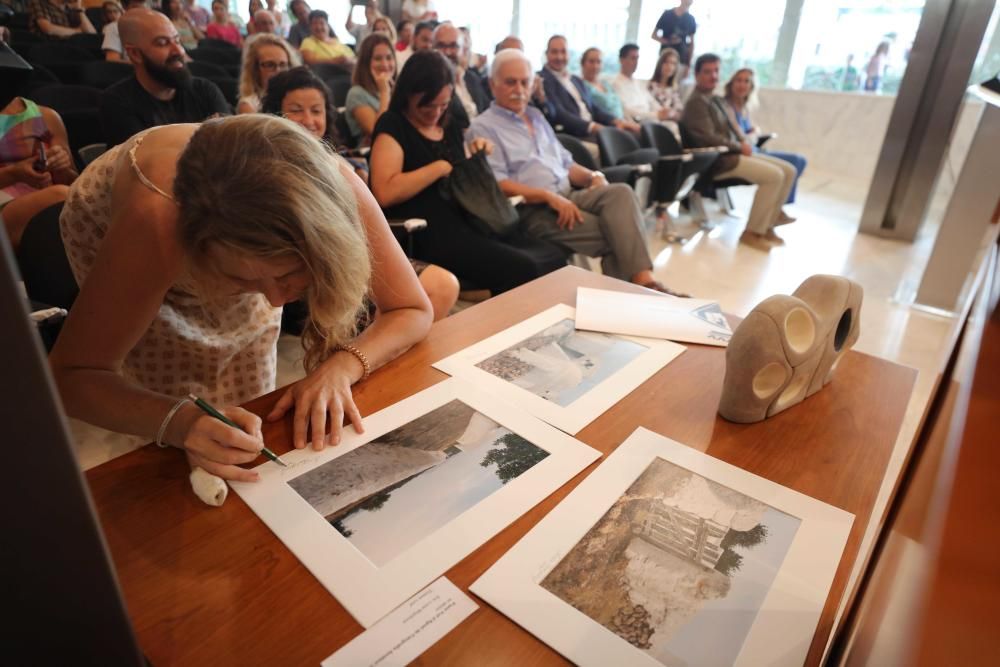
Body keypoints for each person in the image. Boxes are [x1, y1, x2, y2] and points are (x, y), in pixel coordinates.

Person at [50, 114, 433, 480]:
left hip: (231, 239)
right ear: (200, 251)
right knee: (169, 439)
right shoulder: (155, 223)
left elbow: (412, 308)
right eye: (243, 281)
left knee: (247, 420)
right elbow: (74, 376)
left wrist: (341, 368)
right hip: (128, 233)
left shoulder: (334, 189)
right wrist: (180, 422)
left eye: (288, 275)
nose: (276, 303)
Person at [470, 49, 678, 294]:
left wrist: (593, 176)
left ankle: (642, 286)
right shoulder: (483, 127)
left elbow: (567, 164)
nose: (519, 88)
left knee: (620, 192)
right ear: (493, 85)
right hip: (532, 210)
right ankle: (641, 294)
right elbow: (499, 184)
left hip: (568, 195)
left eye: (525, 82)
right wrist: (549, 197)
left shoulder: (535, 116)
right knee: (616, 235)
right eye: (510, 82)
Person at [263, 66, 459, 321]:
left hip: (355, 259)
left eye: (316, 110)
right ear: (274, 114)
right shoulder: (265, 168)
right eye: (296, 110)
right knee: (401, 312)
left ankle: (394, 355)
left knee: (444, 286)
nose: (308, 120)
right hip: (309, 273)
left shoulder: (337, 160)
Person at [369, 51, 569, 296]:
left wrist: (476, 153)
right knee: (522, 267)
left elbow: (461, 174)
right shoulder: (394, 125)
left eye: (443, 105)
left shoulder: (449, 123)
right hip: (428, 232)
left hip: (469, 218)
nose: (436, 112)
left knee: (552, 256)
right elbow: (384, 192)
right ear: (409, 94)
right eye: (428, 105)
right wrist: (437, 169)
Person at [681, 54, 796, 250]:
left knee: (789, 170)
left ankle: (767, 226)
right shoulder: (696, 102)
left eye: (716, 71)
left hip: (733, 153)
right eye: (707, 72)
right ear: (696, 74)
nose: (713, 76)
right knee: (775, 176)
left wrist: (744, 140)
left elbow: (733, 128)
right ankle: (752, 233)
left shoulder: (714, 99)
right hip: (718, 160)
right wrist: (738, 146)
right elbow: (708, 138)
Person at [100, 9, 231, 146]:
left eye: (177, 40)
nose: (179, 51)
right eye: (162, 43)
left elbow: (231, 147)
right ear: (134, 54)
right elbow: (145, 162)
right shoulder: (116, 102)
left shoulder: (205, 90)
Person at [1, 94, 77, 251]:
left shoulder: (47, 116)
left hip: (48, 196)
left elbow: (74, 183)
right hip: (6, 204)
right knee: (60, 197)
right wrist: (14, 173)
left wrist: (60, 166)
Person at [724, 67, 807, 205]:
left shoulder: (744, 108)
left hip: (754, 148)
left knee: (799, 160)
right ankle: (776, 209)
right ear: (731, 83)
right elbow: (737, 137)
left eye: (746, 81)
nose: (742, 85)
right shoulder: (726, 106)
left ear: (751, 86)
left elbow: (745, 135)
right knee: (788, 168)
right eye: (738, 80)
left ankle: (777, 209)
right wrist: (749, 135)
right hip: (744, 153)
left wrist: (752, 132)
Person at [539, 35, 639, 140]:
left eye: (563, 52)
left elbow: (594, 108)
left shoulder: (575, 79)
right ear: (546, 54)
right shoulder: (542, 79)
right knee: (621, 142)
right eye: (554, 52)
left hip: (593, 129)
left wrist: (617, 121)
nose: (559, 57)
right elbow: (559, 113)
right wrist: (593, 127)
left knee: (635, 134)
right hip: (574, 135)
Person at [433, 22, 489, 125]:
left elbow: (486, 111)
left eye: (453, 46)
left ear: (463, 50)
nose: (447, 52)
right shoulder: (428, 83)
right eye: (441, 46)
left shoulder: (471, 78)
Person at [345, 32, 394, 145]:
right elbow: (378, 130)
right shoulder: (356, 93)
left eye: (389, 57)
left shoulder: (395, 88)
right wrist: (384, 92)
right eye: (378, 59)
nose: (385, 64)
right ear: (365, 63)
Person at [612, 43, 679, 125]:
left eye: (637, 58)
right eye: (633, 58)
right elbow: (627, 110)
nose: (636, 62)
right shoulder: (616, 84)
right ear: (621, 60)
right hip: (638, 122)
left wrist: (663, 111)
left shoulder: (639, 83)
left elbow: (651, 101)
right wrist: (656, 115)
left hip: (651, 119)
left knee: (672, 125)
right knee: (670, 127)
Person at [237, 32, 296, 113]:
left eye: (283, 65)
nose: (278, 71)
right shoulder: (249, 106)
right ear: (255, 69)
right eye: (270, 65)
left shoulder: (299, 98)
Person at [652, 0, 696, 80]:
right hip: (665, 57)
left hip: (681, 60)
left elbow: (691, 44)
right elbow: (654, 35)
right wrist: (668, 42)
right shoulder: (667, 14)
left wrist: (688, 65)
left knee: (675, 87)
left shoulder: (691, 19)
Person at [579, 48, 623, 120]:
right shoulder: (581, 86)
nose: (595, 66)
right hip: (605, 126)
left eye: (598, 62)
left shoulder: (606, 84)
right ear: (583, 63)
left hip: (623, 123)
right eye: (591, 61)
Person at [29, 0, 97, 38]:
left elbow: (92, 35)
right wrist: (77, 32)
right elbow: (48, 29)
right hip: (48, 48)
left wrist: (79, 10)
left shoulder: (71, 8)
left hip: (70, 48)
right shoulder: (39, 2)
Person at [648, 47, 684, 118]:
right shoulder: (651, 86)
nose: (669, 66)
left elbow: (679, 110)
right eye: (666, 62)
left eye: (673, 63)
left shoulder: (674, 89)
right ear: (660, 64)